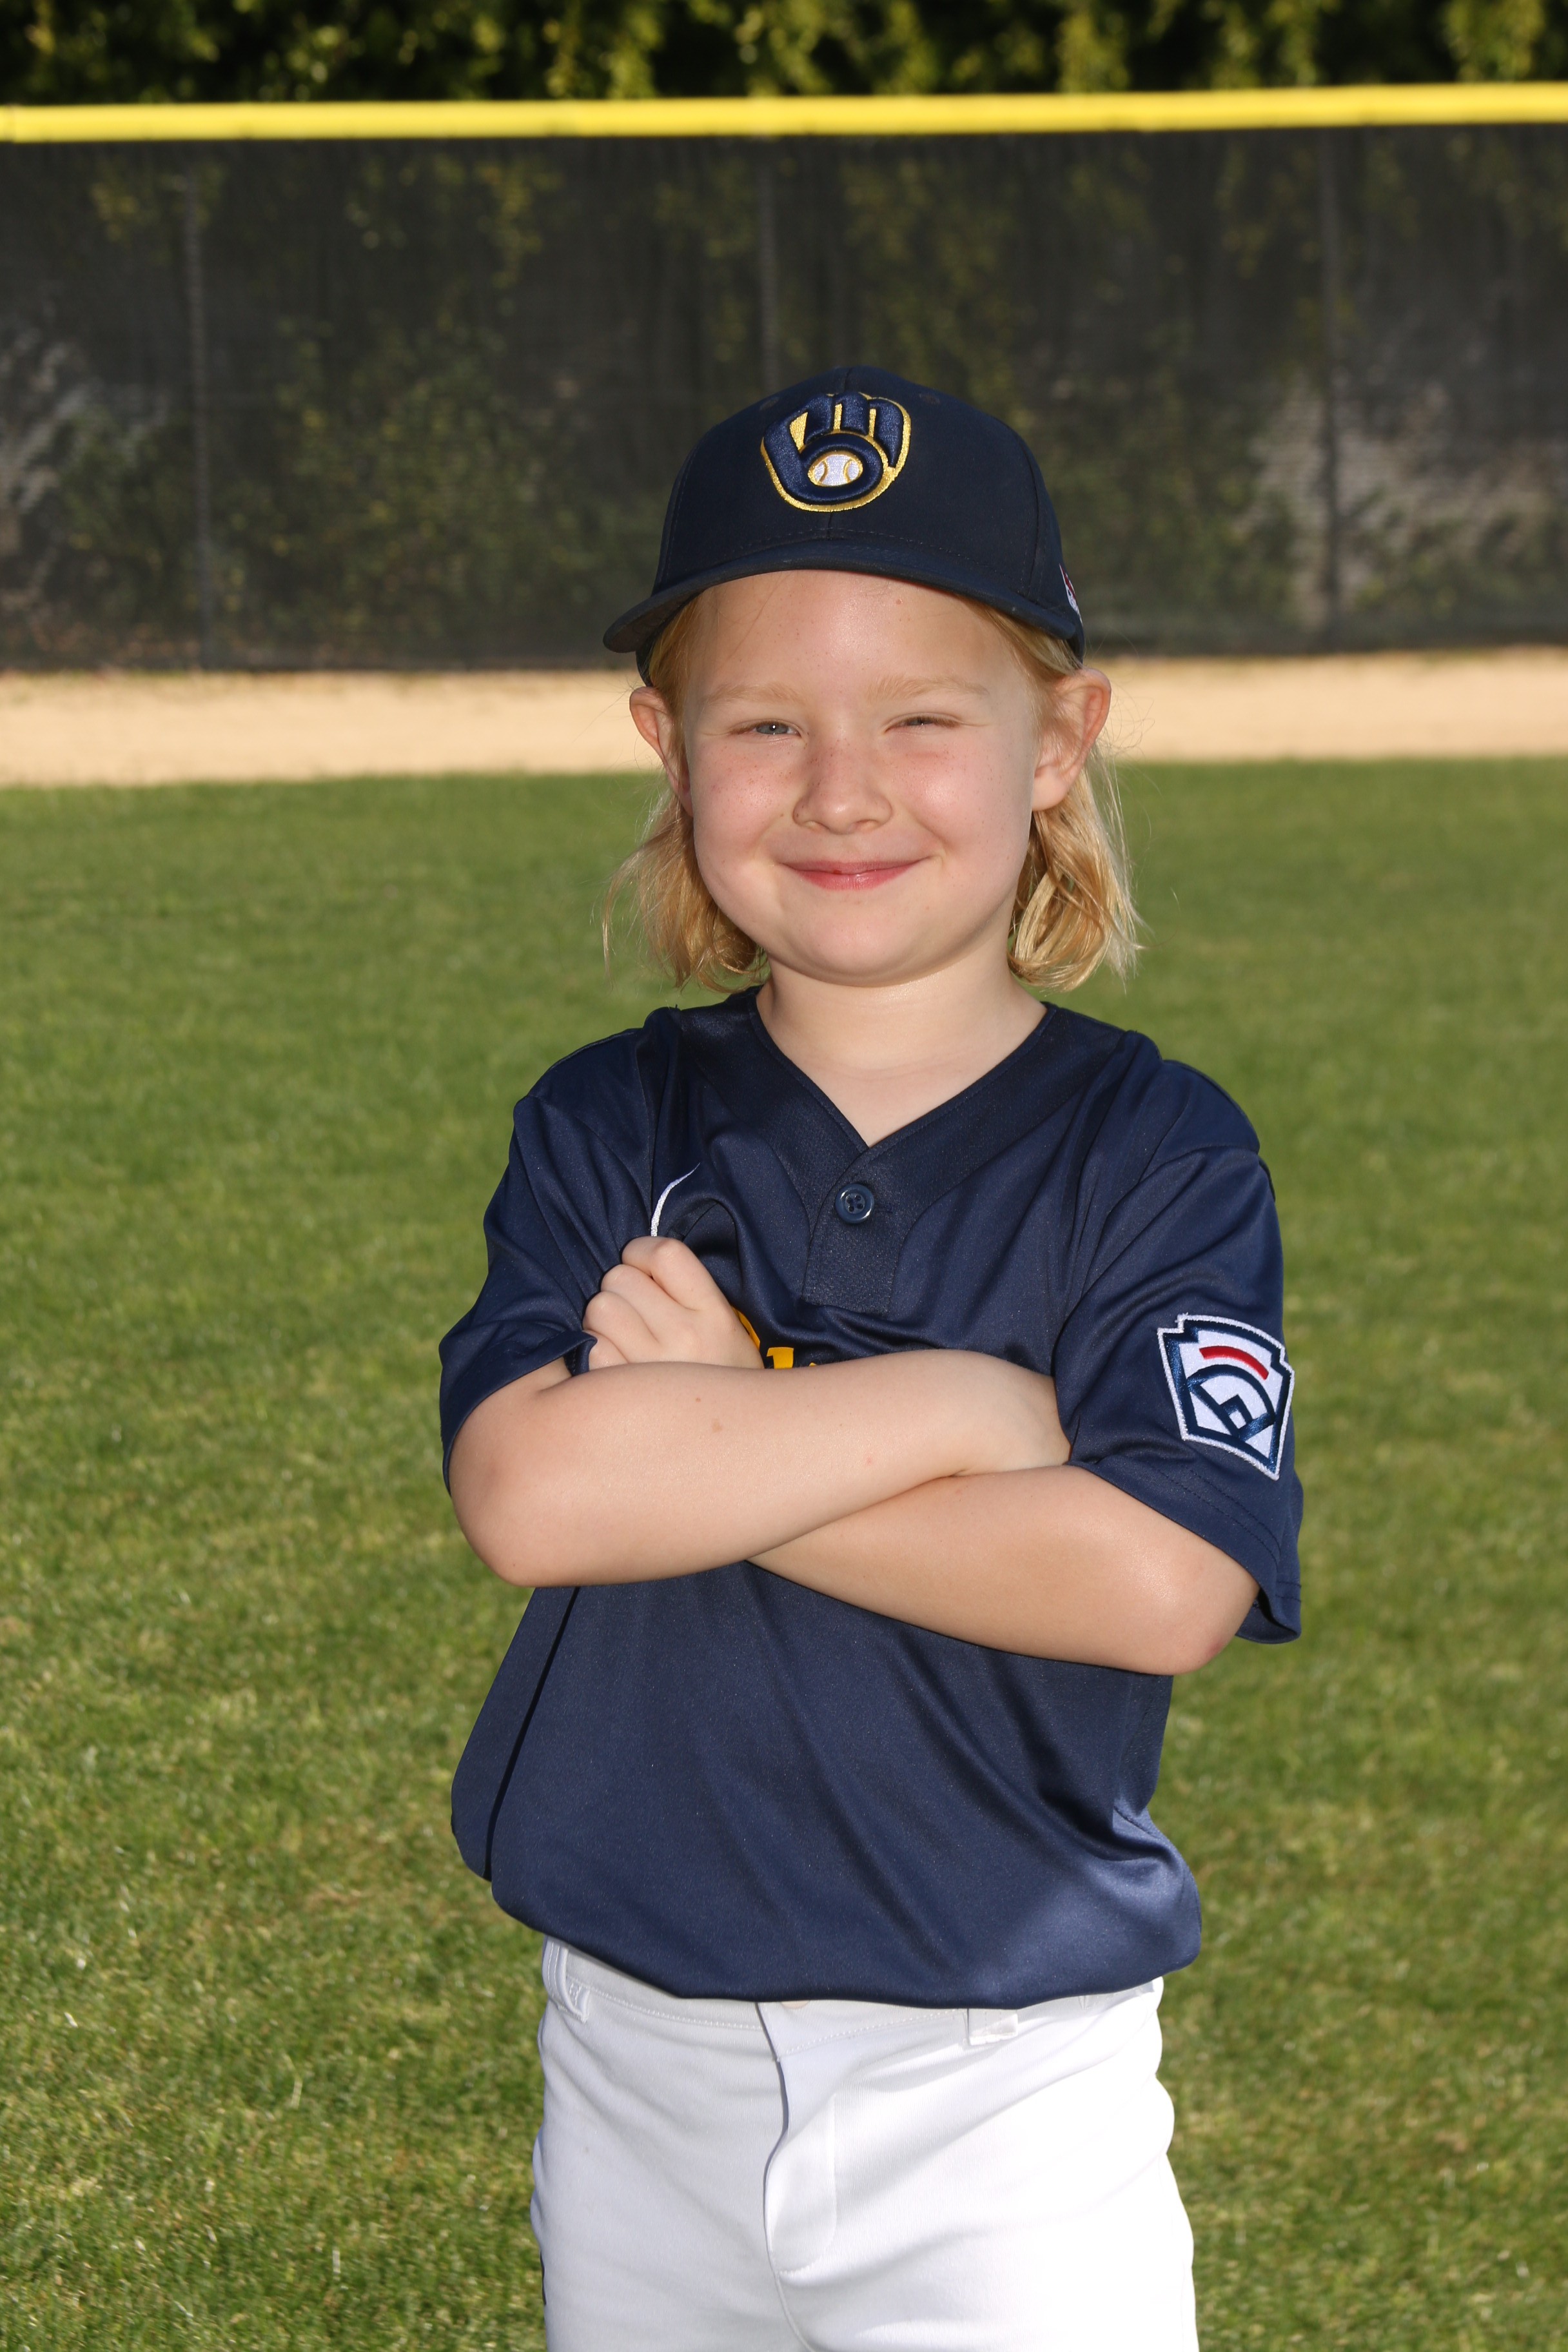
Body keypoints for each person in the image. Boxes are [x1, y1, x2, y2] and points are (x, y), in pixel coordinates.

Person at [439, 365, 1302, 2352]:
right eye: (767, 725)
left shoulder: (1155, 1152)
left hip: (1006, 2103)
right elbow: (535, 1499)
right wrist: (968, 1415)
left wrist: (722, 1428)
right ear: (667, 746)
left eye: (923, 719)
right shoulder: (613, 1122)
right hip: (634, 2062)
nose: (843, 791)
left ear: (1058, 743)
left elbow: (1160, 1581)